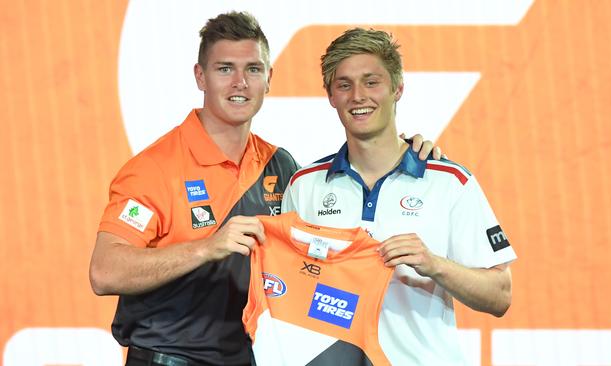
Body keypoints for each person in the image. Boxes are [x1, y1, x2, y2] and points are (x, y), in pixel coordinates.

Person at [89, 12, 438, 366]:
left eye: (253, 69)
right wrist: (206, 248)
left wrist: (403, 152)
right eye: (225, 69)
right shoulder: (155, 168)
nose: (240, 82)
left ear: (269, 78)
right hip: (171, 358)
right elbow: (105, 272)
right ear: (200, 76)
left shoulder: (280, 165)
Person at [281, 28, 517, 365]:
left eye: (371, 81)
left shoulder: (449, 182)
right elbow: (283, 290)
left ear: (398, 88)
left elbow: (500, 295)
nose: (358, 96)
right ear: (330, 95)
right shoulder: (304, 186)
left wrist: (433, 264)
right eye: (344, 84)